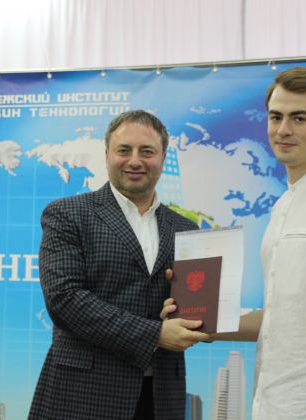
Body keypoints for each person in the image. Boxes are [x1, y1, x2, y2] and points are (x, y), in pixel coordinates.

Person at [163, 67, 306, 419]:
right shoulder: (285, 203)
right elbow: (280, 319)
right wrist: (200, 322)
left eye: (299, 118)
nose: (283, 129)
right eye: (276, 117)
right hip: (274, 404)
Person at [29, 110, 209, 420]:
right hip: (82, 396)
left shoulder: (186, 229)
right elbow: (64, 299)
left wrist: (182, 312)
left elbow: (193, 309)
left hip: (161, 397)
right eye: (124, 150)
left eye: (147, 151)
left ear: (163, 157)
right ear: (107, 155)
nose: (135, 161)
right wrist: (155, 334)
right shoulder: (68, 215)